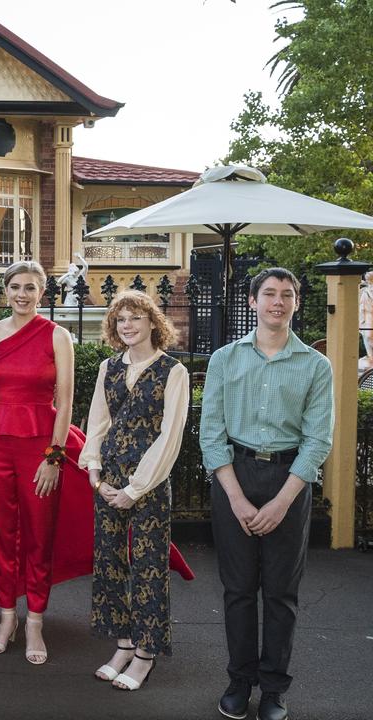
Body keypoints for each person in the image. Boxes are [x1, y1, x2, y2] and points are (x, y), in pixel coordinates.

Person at [201, 268, 333, 720]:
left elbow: (318, 441)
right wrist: (237, 499)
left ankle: (274, 690)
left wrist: (281, 501)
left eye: (287, 294)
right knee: (238, 591)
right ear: (253, 302)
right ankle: (239, 682)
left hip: (289, 481)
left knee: (280, 593)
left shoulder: (316, 366)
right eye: (269, 294)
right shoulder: (224, 358)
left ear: (296, 302)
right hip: (232, 478)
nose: (278, 301)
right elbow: (211, 434)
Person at [0, 260, 94, 665]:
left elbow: (67, 400)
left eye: (30, 288)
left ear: (43, 292)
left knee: (39, 534)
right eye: (16, 287)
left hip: (41, 443)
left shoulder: (58, 336)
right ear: (6, 290)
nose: (22, 294)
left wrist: (54, 458)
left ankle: (35, 620)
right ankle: (7, 618)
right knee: (1, 532)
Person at [80, 290, 189, 691]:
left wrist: (135, 488)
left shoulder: (171, 371)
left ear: (152, 323)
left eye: (135, 318)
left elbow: (170, 435)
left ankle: (146, 654)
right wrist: (94, 471)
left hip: (150, 483)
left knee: (148, 567)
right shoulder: (109, 367)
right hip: (107, 479)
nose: (128, 325)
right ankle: (124, 643)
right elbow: (98, 421)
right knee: (109, 563)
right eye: (121, 319)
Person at [359, 269, 373, 367]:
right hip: (368, 315)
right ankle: (370, 356)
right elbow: (361, 306)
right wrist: (361, 319)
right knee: (367, 335)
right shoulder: (365, 291)